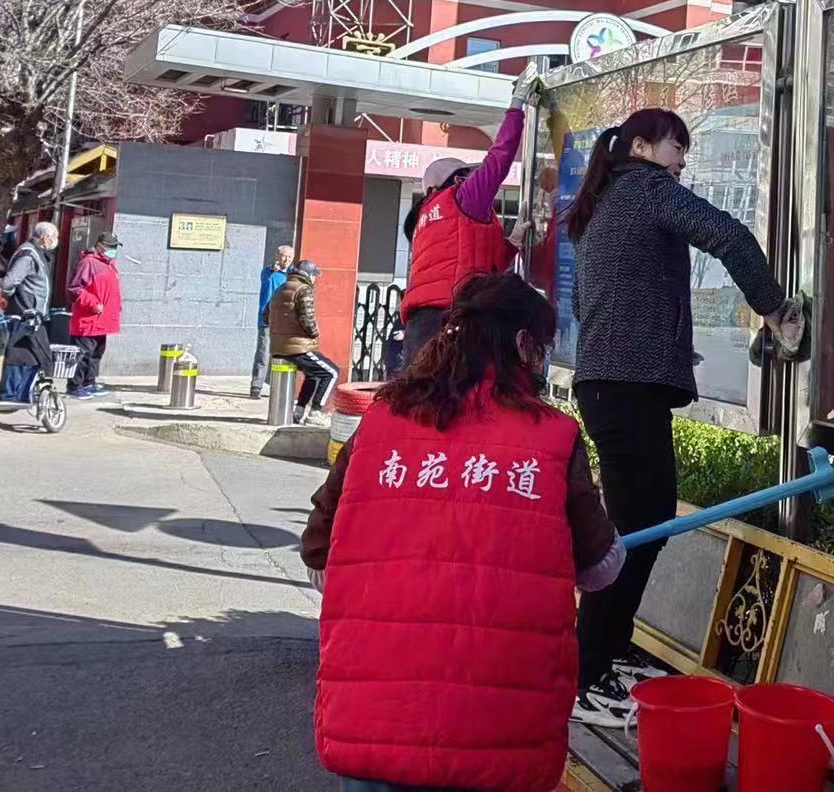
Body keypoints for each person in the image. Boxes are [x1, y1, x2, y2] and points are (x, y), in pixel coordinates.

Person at [301, 273, 623, 792]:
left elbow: (317, 547)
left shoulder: (381, 420)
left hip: (374, 729)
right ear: (524, 344)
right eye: (543, 345)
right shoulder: (554, 438)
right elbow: (603, 567)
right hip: (501, 742)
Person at [563, 107, 803, 725]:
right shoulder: (646, 189)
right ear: (642, 147)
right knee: (639, 526)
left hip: (610, 383)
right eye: (677, 147)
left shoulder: (603, 203)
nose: (683, 160)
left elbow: (587, 299)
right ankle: (588, 673)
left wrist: (662, 340)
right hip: (626, 388)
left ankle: (607, 654)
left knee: (640, 521)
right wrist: (774, 309)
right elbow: (728, 234)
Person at [397, 68, 543, 377]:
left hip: (422, 325)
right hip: (452, 322)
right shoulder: (461, 199)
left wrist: (512, 243)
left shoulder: (427, 216)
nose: (473, 179)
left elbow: (475, 263)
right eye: (466, 174)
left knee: (421, 404)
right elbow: (499, 159)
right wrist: (516, 105)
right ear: (455, 180)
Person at [270, 259, 339, 424]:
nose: (315, 279)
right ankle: (315, 413)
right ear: (308, 275)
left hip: (279, 346)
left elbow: (267, 315)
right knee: (331, 372)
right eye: (314, 275)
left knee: (312, 375)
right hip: (297, 347)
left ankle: (298, 411)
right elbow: (307, 319)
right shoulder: (303, 289)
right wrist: (315, 333)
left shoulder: (280, 288)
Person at [68, 231, 123, 398]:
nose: (113, 250)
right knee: (82, 354)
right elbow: (75, 289)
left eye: (115, 247)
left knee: (96, 353)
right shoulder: (88, 263)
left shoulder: (109, 265)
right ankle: (75, 386)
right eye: (110, 247)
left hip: (102, 320)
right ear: (100, 246)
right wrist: (93, 304)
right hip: (88, 319)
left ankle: (89, 382)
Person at [250, 244, 295, 399]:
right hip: (267, 320)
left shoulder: (292, 276)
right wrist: (272, 268)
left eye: (290, 257)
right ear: (277, 256)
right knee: (263, 354)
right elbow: (268, 274)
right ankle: (256, 386)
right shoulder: (268, 272)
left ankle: (277, 388)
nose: (286, 259)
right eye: (284, 256)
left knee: (281, 357)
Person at [0, 222, 58, 320]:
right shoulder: (29, 254)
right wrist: (8, 297)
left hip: (33, 313)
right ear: (45, 237)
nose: (55, 241)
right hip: (26, 312)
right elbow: (9, 282)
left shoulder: (37, 252)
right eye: (54, 237)